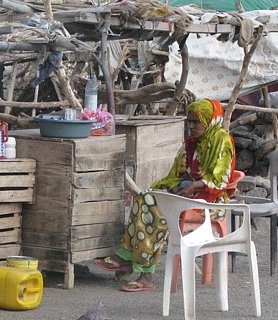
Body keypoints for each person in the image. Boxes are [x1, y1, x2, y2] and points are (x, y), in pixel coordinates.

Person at [94, 98, 235, 292]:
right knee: (145, 198)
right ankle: (127, 259)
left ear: (209, 121)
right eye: (190, 122)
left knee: (157, 210)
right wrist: (178, 187)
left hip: (210, 204)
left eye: (196, 122)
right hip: (188, 196)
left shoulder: (222, 140)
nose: (191, 126)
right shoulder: (191, 142)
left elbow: (222, 180)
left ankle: (145, 274)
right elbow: (179, 172)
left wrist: (194, 185)